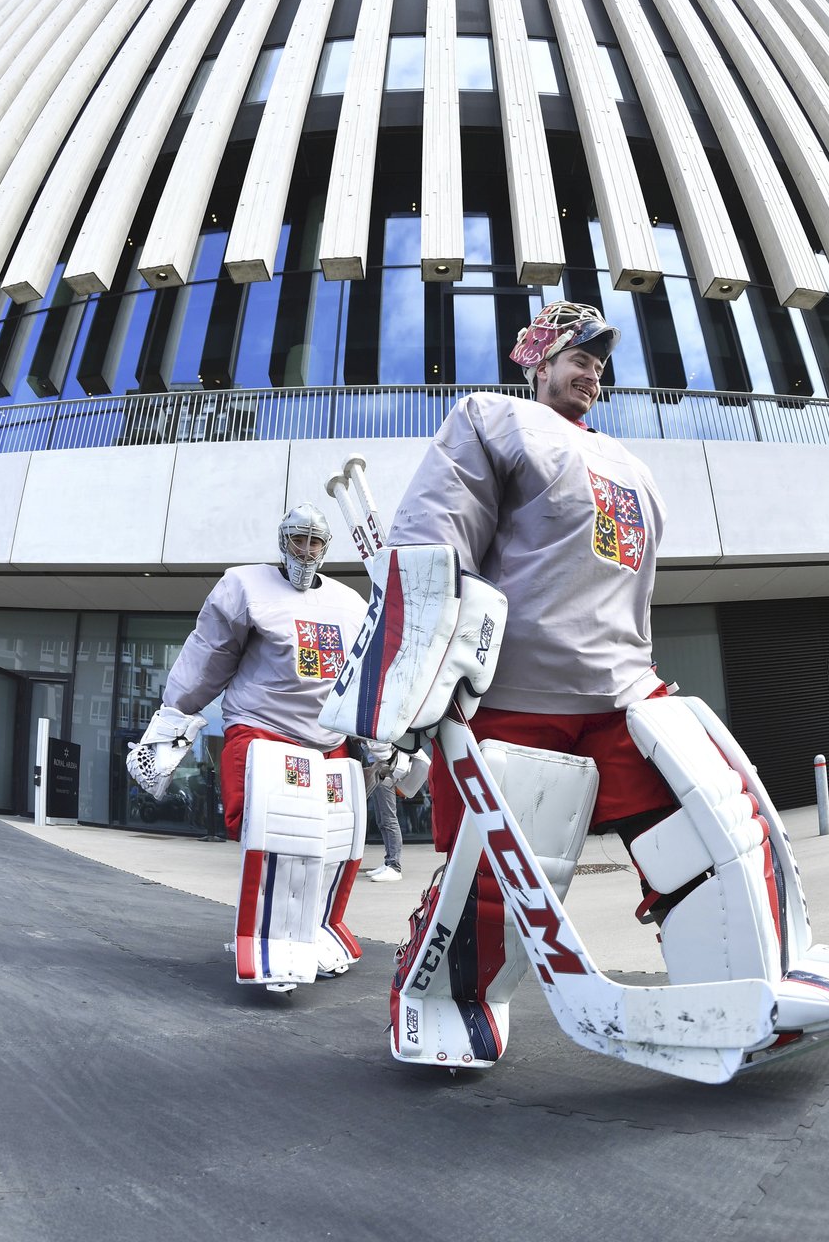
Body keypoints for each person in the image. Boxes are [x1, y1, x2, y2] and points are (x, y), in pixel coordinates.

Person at [387, 299, 676, 914]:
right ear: (540, 365)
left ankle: (725, 991)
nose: (594, 372)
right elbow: (434, 541)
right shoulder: (494, 419)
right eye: (579, 358)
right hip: (514, 694)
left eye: (599, 364)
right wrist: (408, 687)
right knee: (491, 888)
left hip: (622, 693)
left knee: (690, 853)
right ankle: (449, 1003)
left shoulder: (633, 466)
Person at [146, 502, 369, 841]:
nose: (306, 550)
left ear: (326, 546)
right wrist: (171, 720)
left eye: (314, 542)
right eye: (298, 539)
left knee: (328, 842)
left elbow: (362, 678)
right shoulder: (244, 584)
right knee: (264, 838)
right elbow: (209, 655)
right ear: (283, 541)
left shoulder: (351, 603)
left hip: (328, 741)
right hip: (263, 729)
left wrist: (380, 741)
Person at [365, 775, 403, 882]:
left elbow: (384, 757)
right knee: (383, 822)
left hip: (385, 775)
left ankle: (394, 866)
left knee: (389, 821)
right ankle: (389, 862)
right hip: (380, 776)